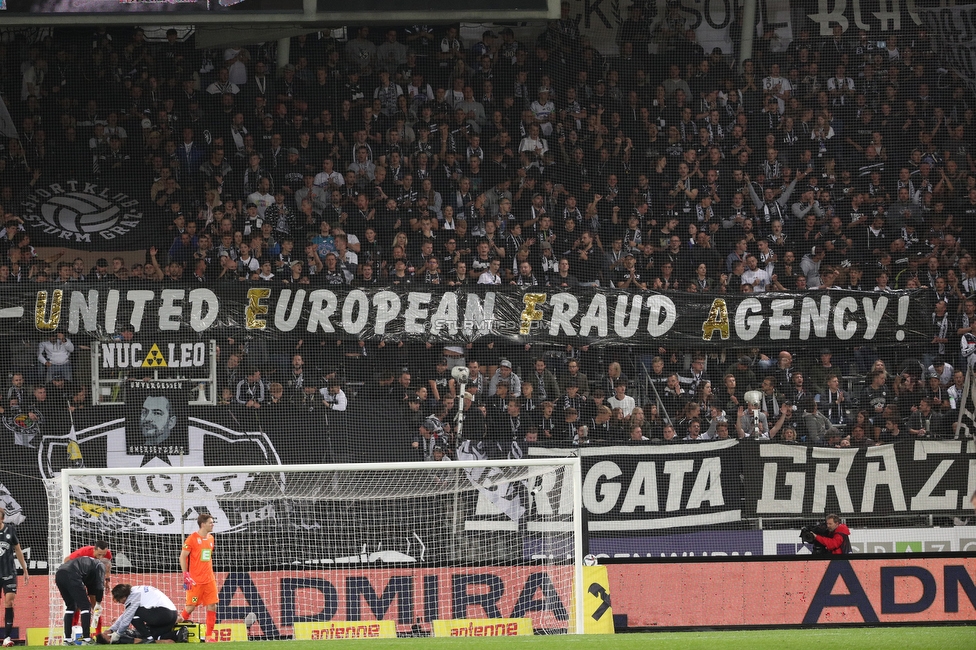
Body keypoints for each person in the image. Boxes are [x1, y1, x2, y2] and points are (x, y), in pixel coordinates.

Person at [101, 584, 187, 644]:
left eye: (120, 601)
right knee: (157, 637)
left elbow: (126, 618)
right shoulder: (136, 590)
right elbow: (126, 614)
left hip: (163, 614)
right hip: (171, 615)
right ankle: (179, 633)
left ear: (123, 597)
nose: (121, 603)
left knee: (133, 615)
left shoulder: (134, 596)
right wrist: (112, 629)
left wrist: (117, 634)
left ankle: (148, 638)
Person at [178, 514, 217, 643]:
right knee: (190, 607)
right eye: (210, 522)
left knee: (212, 606)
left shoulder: (211, 538)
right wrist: (186, 575)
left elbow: (206, 558)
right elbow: (182, 557)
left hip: (209, 580)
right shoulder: (192, 539)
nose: (212, 524)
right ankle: (169, 629)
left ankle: (209, 637)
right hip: (195, 581)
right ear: (203, 524)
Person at [55, 556, 106, 645]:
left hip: (59, 574)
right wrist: (98, 603)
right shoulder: (100, 565)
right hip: (72, 574)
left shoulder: (89, 566)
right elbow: (100, 586)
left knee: (71, 606)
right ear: (107, 566)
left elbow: (91, 587)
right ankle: (86, 638)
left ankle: (67, 639)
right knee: (85, 606)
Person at [64, 542, 112, 638]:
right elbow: (66, 560)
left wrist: (107, 580)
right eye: (99, 554)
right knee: (77, 604)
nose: (101, 556)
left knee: (96, 606)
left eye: (103, 554)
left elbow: (107, 567)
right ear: (94, 550)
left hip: (93, 578)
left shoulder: (108, 554)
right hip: (80, 577)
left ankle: (98, 634)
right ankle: (74, 631)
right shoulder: (83, 552)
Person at [0, 508, 28, 647]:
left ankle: (6, 637)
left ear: (2, 519)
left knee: (9, 602)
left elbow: (18, 549)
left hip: (9, 573)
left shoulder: (10, 530)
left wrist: (25, 569)